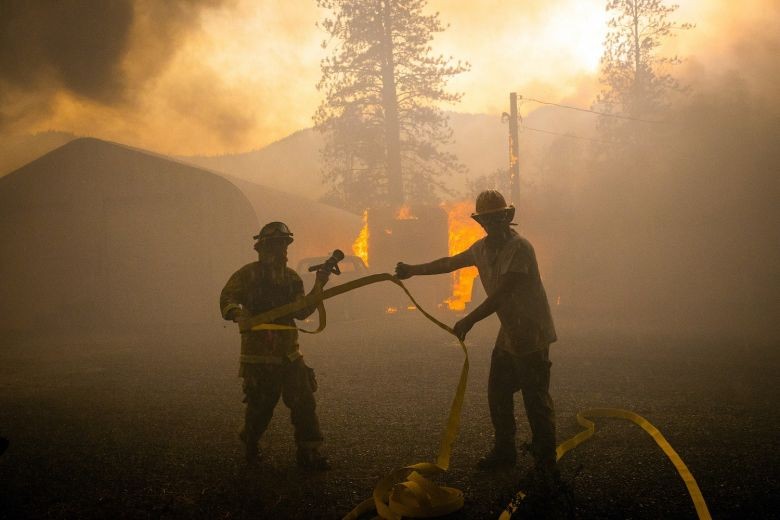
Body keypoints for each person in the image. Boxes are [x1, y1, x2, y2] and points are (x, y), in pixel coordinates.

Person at [395, 190, 558, 484]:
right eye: (488, 219)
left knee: (535, 399)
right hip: (510, 333)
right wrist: (412, 271)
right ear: (481, 222)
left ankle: (546, 463)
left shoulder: (520, 248)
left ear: (507, 218)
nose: (493, 224)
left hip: (532, 332)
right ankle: (505, 451)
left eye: (498, 218)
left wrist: (468, 320)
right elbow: (448, 263)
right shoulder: (480, 249)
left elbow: (501, 295)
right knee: (498, 392)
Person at [220, 221, 331, 470]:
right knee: (261, 408)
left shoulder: (291, 278)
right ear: (261, 249)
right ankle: (250, 442)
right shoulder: (247, 275)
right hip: (258, 356)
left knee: (304, 402)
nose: (281, 251)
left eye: (283, 245)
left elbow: (301, 312)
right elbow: (227, 298)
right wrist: (236, 313)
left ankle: (309, 452)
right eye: (274, 245)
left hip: (290, 354)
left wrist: (319, 284)